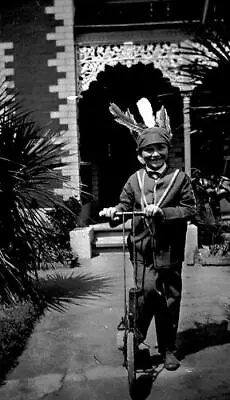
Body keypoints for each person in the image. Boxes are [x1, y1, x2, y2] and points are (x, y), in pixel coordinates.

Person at [99, 100, 196, 371]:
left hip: (170, 250)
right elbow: (123, 206)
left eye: (159, 148)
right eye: (148, 150)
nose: (154, 154)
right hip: (141, 249)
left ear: (167, 149)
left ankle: (168, 349)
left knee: (170, 298)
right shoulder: (134, 180)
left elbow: (190, 209)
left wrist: (163, 213)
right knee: (146, 291)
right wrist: (113, 212)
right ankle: (135, 337)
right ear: (140, 153)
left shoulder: (179, 179)